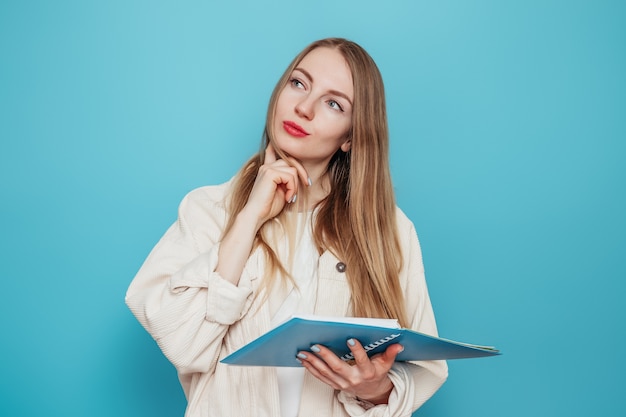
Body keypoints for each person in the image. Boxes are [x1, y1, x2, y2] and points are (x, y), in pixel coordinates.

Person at [126, 37, 447, 417]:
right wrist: (249, 219)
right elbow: (181, 343)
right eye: (299, 83)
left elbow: (423, 369)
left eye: (333, 103)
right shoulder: (208, 210)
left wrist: (376, 388)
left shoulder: (389, 230)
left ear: (350, 136)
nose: (303, 107)